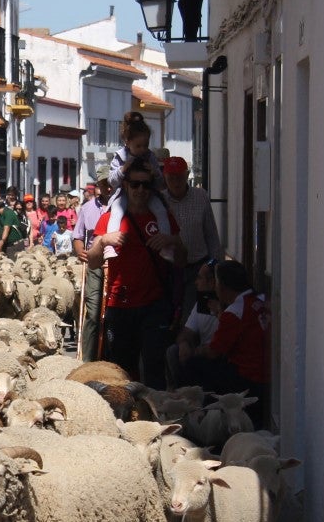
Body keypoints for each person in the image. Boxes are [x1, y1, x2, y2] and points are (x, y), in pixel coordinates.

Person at [84, 157, 186, 387]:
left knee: (154, 370)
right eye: (135, 184)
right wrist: (103, 241)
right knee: (122, 373)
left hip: (155, 305)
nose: (141, 190)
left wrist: (171, 241)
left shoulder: (162, 219)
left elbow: (182, 259)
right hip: (120, 306)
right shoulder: (110, 219)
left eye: (146, 185)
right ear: (126, 186)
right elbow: (92, 263)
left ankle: (155, 419)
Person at [181, 260, 270, 420]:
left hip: (246, 376)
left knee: (193, 366)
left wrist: (196, 350)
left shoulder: (234, 312)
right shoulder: (258, 300)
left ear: (224, 286)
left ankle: (206, 416)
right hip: (262, 372)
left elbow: (214, 351)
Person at [106, 111, 171, 262]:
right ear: (127, 142)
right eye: (138, 146)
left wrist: (154, 172)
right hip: (123, 193)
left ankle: (167, 246)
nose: (143, 149)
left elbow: (161, 184)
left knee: (161, 211)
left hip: (149, 194)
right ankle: (109, 245)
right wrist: (123, 168)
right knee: (116, 211)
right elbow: (112, 181)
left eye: (146, 145)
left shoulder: (150, 156)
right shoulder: (120, 156)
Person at [162, 156, 223, 316]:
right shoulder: (160, 200)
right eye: (171, 178)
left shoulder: (200, 196)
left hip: (199, 267)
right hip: (170, 269)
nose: (175, 182)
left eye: (179, 177)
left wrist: (212, 265)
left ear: (187, 175)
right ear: (164, 177)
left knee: (195, 316)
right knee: (170, 314)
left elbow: (212, 237)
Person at [73, 170, 112, 361]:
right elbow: (78, 235)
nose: (108, 186)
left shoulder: (123, 205)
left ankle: (110, 355)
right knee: (94, 311)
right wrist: (80, 250)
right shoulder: (87, 208)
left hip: (116, 263)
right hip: (94, 263)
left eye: (111, 182)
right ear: (98, 185)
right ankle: (87, 359)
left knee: (112, 313)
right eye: (104, 183)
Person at [166, 261, 221, 388]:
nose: (196, 282)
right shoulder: (202, 304)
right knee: (173, 351)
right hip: (202, 353)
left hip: (216, 356)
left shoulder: (228, 305)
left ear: (212, 282)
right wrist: (184, 343)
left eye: (200, 278)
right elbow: (186, 332)